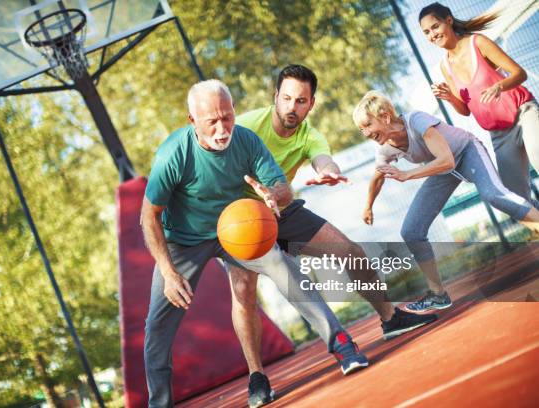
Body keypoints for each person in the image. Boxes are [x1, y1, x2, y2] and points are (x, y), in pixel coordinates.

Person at [142, 79, 369, 408]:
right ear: (192, 121)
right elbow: (149, 216)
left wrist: (272, 194)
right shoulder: (172, 154)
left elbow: (282, 186)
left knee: (282, 266)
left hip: (235, 228)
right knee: (157, 325)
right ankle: (159, 404)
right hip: (183, 241)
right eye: (212, 122)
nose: (222, 128)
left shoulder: (246, 141)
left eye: (227, 117)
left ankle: (342, 343)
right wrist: (167, 270)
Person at [226, 64, 438, 407]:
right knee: (243, 289)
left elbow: (324, 159)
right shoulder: (247, 125)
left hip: (283, 209)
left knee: (350, 251)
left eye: (301, 101)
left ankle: (390, 317)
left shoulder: (309, 134)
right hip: (241, 218)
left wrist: (329, 173)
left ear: (311, 104)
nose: (292, 107)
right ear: (275, 97)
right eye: (287, 98)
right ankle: (257, 377)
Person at [353, 90, 539, 313]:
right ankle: (438, 294)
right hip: (442, 170)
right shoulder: (384, 149)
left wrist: (408, 175)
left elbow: (446, 159)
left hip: (466, 151)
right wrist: (368, 206)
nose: (364, 132)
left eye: (367, 125)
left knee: (495, 195)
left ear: (384, 117)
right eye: (360, 129)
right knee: (411, 231)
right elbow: (377, 177)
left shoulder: (417, 121)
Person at [418, 2, 539, 206]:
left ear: (448, 20)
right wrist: (449, 97)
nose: (432, 34)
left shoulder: (478, 42)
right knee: (515, 200)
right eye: (426, 32)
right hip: (500, 134)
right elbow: (465, 110)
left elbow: (520, 73)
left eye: (435, 26)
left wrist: (499, 86)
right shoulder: (445, 66)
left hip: (523, 113)